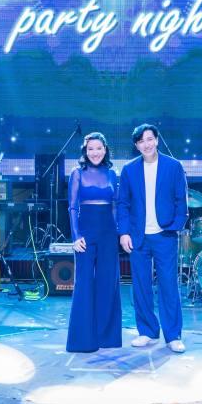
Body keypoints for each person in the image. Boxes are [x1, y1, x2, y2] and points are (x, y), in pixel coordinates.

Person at [117, 124, 188, 353]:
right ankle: (147, 331)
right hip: (138, 237)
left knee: (168, 285)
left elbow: (181, 200)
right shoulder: (129, 169)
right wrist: (124, 233)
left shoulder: (173, 166)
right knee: (141, 286)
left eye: (149, 139)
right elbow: (123, 203)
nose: (146, 144)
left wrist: (175, 226)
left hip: (164, 235)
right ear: (136, 145)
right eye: (141, 141)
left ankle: (173, 335)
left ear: (156, 140)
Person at [66, 132, 122, 352]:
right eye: (90, 149)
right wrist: (75, 236)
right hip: (85, 235)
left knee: (108, 283)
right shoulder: (77, 173)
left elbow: (115, 206)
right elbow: (72, 207)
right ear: (85, 151)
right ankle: (83, 340)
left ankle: (107, 337)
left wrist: (118, 233)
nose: (95, 152)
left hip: (108, 235)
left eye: (99, 148)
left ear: (105, 150)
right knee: (84, 284)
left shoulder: (112, 174)